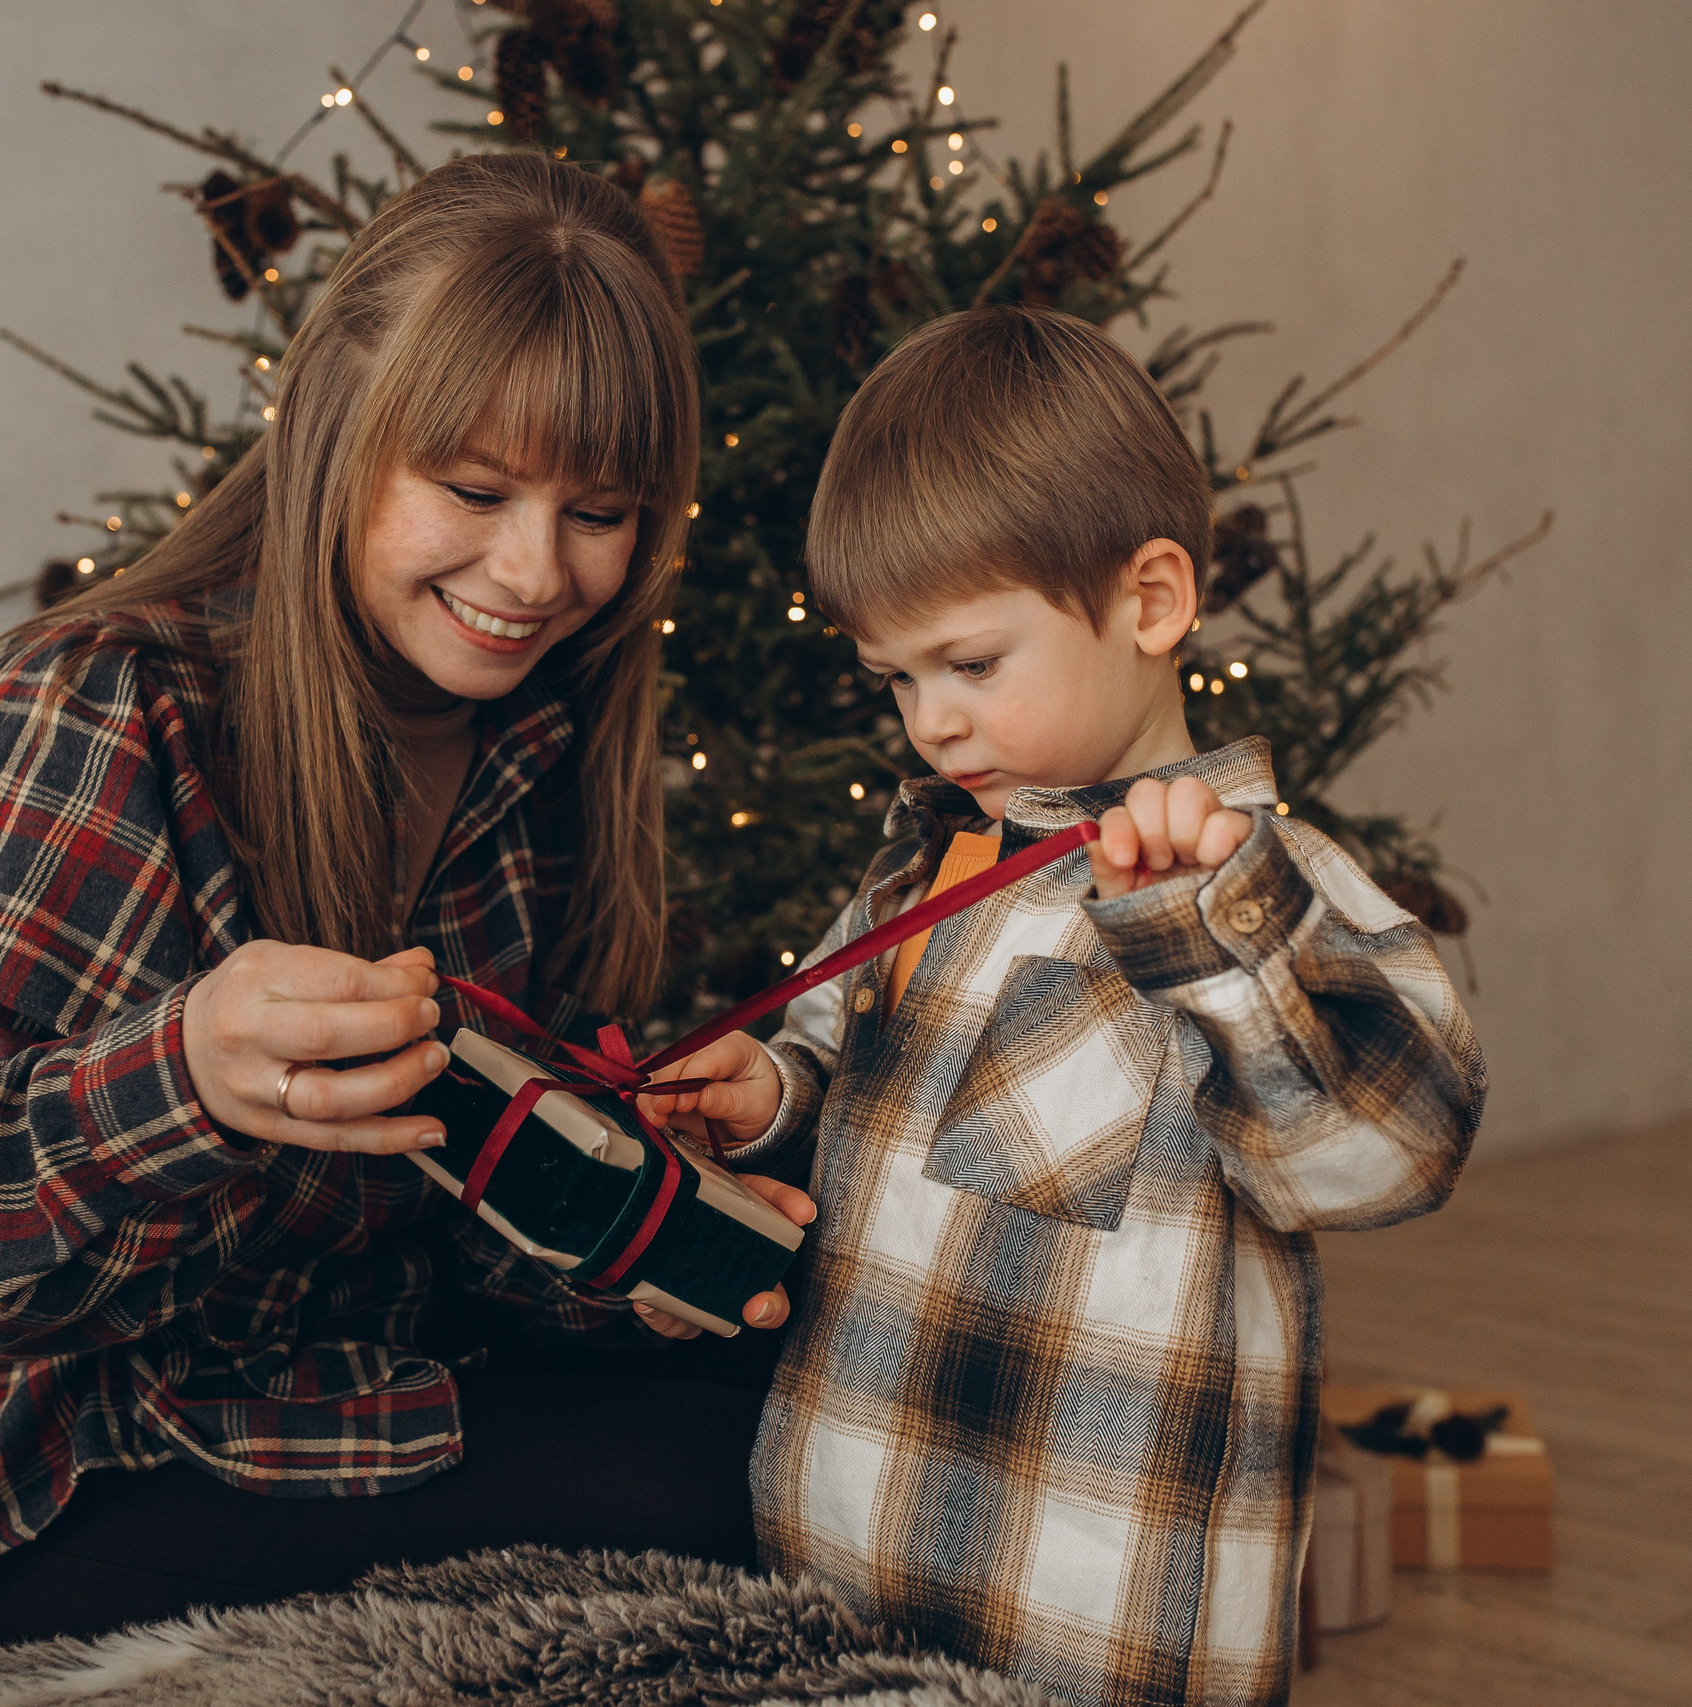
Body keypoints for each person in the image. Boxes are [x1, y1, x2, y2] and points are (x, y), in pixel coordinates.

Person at [0, 152, 812, 1664]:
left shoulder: (539, 746)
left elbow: (446, 1232)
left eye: (601, 512)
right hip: (21, 1474)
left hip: (321, 1387)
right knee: (755, 1484)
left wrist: (638, 1255)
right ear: (338, 433)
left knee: (804, 1403)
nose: (536, 572)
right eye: (473, 490)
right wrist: (182, 1077)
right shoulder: (93, 708)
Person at [636, 306, 1486, 1707]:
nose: (931, 721)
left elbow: (1387, 1154)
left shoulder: (1267, 880)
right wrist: (772, 1096)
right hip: (845, 1539)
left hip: (1100, 1612)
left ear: (1152, 602)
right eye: (896, 679)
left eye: (971, 665)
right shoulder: (934, 857)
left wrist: (1205, 934)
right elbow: (845, 1069)